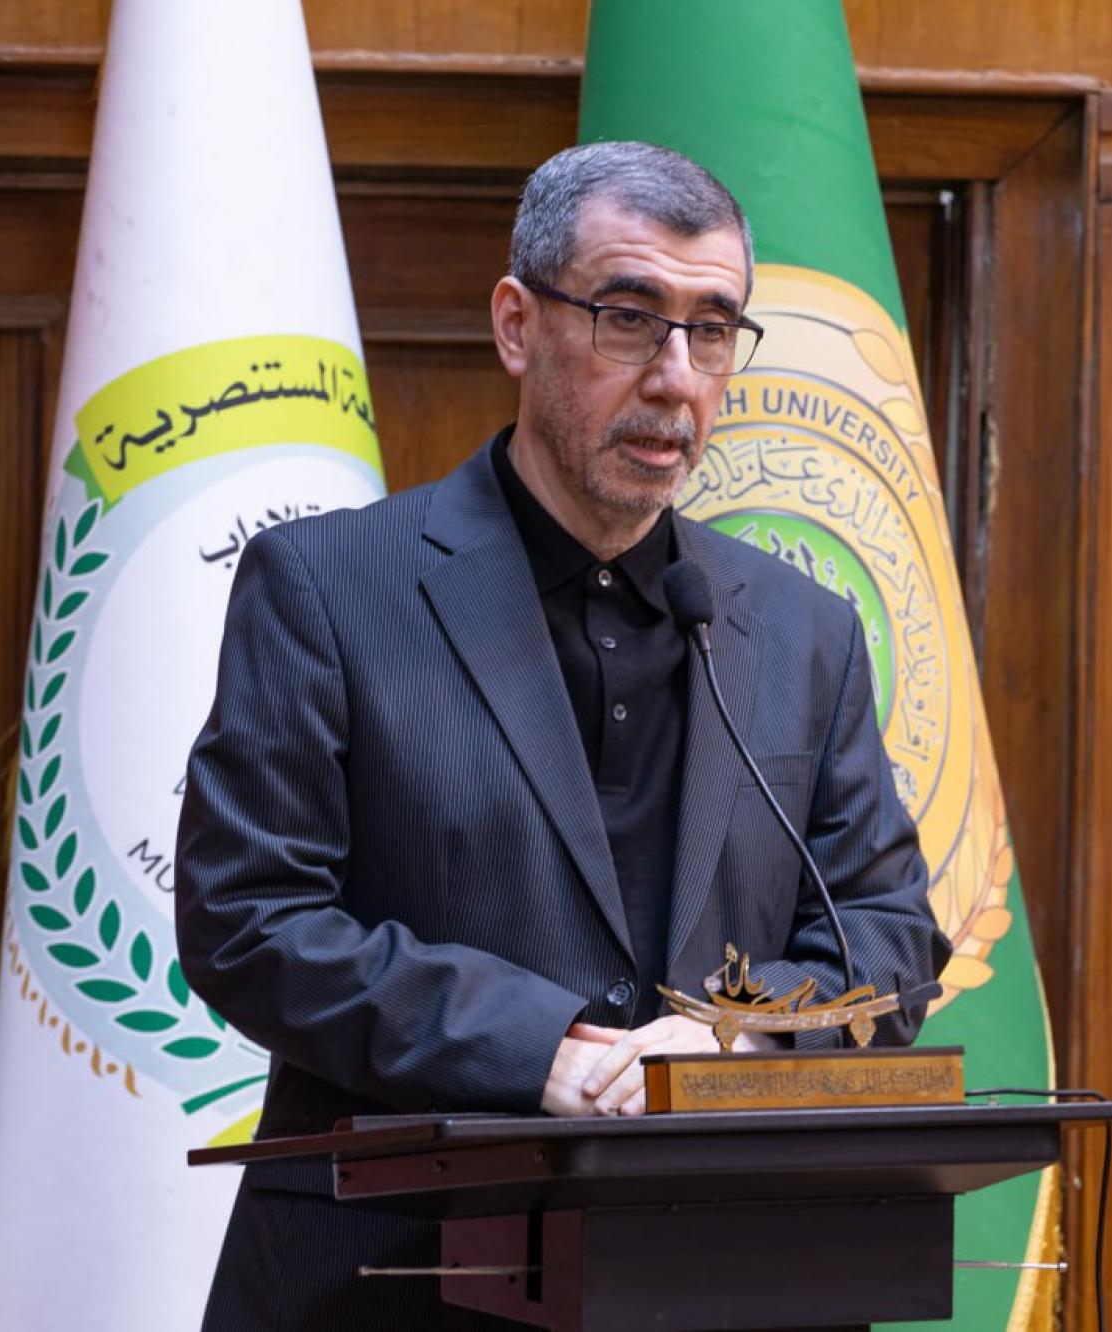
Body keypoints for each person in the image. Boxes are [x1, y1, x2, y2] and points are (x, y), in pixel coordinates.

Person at [176, 140, 949, 1330]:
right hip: (396, 1277)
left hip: (731, 1279)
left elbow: (888, 934)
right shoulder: (326, 590)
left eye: (711, 330)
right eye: (629, 319)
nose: (676, 379)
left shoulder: (803, 629)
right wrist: (539, 1048)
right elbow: (250, 919)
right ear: (516, 325)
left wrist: (726, 1050)